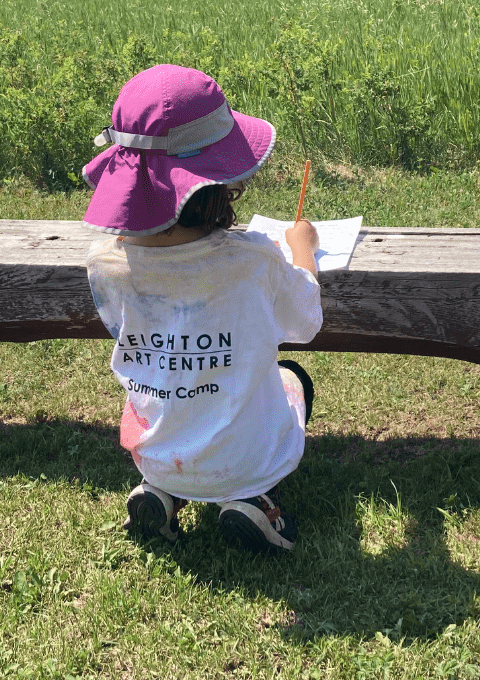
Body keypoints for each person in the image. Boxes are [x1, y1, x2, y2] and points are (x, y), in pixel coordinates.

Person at [83, 64, 322, 553]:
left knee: (179, 394)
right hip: (246, 459)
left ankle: (161, 495)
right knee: (292, 376)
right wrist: (304, 250)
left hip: (155, 451)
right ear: (215, 182)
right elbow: (305, 322)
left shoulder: (105, 261)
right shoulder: (252, 258)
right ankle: (256, 499)